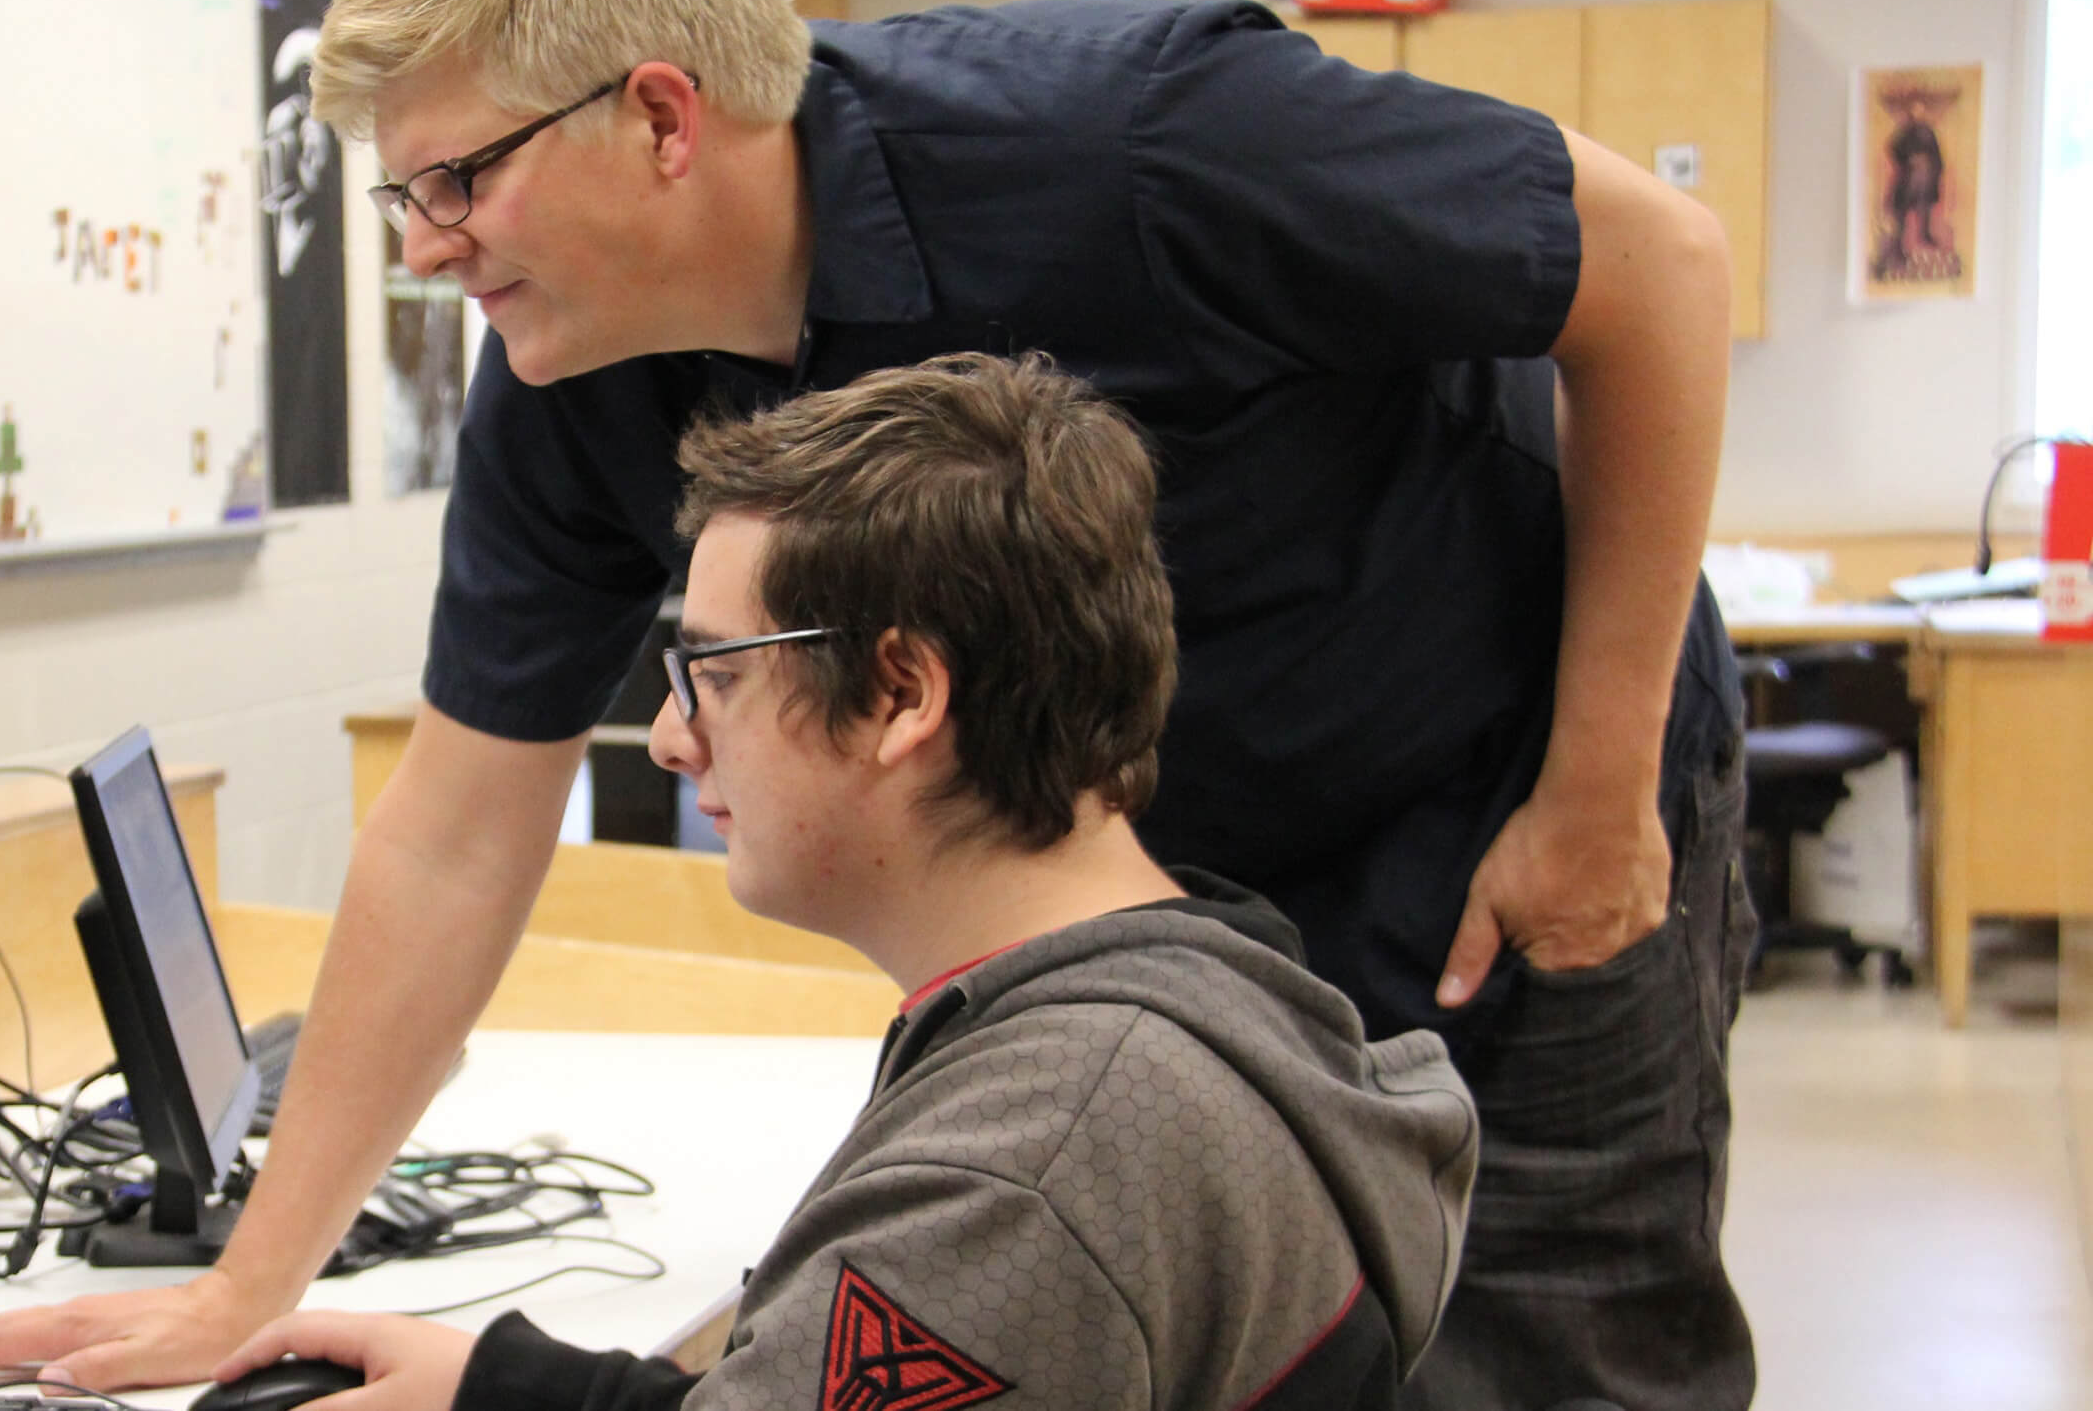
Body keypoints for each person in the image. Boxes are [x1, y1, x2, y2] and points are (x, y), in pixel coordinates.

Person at [0, 0, 1752, 1405]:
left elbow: (1656, 264)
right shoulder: (563, 383)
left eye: (453, 182)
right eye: (400, 201)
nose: (427, 250)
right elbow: (457, 828)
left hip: (1514, 776)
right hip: (1166, 896)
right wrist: (249, 1281)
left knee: (1544, 1342)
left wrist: (1597, 792)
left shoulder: (1128, 142)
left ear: (663, 115)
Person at [210, 351, 1480, 1411]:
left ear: (899, 694)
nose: (668, 735)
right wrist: (513, 1390)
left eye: (713, 671)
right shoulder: (1198, 980)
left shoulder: (1029, 1169)